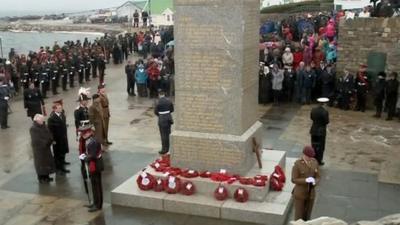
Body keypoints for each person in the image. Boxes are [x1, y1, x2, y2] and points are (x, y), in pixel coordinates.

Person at [79, 125, 104, 212]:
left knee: (97, 186)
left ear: (89, 132)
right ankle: (95, 203)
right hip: (93, 165)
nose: (83, 135)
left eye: (84, 133)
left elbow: (93, 155)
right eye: (82, 133)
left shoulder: (93, 142)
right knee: (93, 185)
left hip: (96, 165)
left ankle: (98, 205)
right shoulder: (89, 140)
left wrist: (84, 157)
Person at [291, 146, 320, 221]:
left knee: (307, 215)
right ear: (304, 155)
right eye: (308, 156)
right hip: (300, 194)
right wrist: (305, 180)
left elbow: (318, 176)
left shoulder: (314, 162)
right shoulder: (297, 164)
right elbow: (294, 179)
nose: (310, 158)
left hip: (311, 194)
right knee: (299, 217)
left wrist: (315, 181)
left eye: (311, 157)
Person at [30, 114, 56, 183]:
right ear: (37, 120)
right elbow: (36, 139)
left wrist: (50, 139)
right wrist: (46, 142)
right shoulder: (33, 128)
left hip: (46, 148)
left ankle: (46, 177)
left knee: (46, 163)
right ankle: (41, 178)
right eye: (41, 120)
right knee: (40, 164)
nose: (43, 121)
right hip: (39, 150)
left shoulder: (44, 126)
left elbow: (49, 133)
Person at [47, 101, 70, 174]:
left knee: (63, 152)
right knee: (58, 154)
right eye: (59, 108)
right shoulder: (51, 118)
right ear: (54, 109)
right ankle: (59, 169)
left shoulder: (62, 115)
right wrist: (52, 140)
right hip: (57, 139)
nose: (61, 109)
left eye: (61, 107)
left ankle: (63, 162)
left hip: (63, 137)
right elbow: (50, 131)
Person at [310, 97, 330, 165]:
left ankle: (313, 158)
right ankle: (319, 160)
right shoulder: (325, 111)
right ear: (324, 104)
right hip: (321, 132)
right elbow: (327, 121)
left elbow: (311, 118)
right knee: (321, 147)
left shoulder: (313, 109)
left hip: (313, 130)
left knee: (313, 146)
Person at [154, 90, 174, 154]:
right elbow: (172, 109)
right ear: (164, 94)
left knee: (163, 135)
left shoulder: (157, 102)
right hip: (168, 118)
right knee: (168, 133)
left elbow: (155, 112)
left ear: (159, 95)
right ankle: (169, 147)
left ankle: (164, 149)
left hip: (162, 119)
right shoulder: (169, 100)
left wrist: (160, 115)